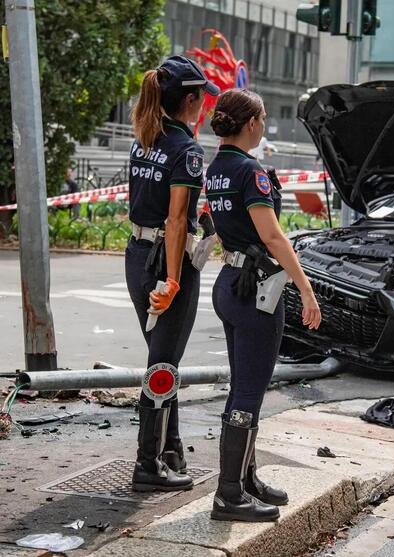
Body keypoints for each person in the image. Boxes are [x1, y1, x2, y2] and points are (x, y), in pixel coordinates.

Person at [206, 89, 322, 522]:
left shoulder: (215, 169)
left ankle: (246, 480)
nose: (264, 126)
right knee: (249, 392)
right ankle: (229, 494)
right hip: (254, 292)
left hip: (230, 284)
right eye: (264, 119)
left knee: (242, 386)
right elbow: (273, 237)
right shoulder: (250, 172)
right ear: (250, 123)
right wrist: (306, 290)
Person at [126, 55, 220, 492]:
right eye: (202, 99)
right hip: (167, 258)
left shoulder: (145, 137)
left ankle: (170, 449)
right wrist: (176, 279)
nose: (204, 107)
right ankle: (148, 464)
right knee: (163, 365)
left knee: (163, 358)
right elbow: (178, 219)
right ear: (191, 100)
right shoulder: (186, 150)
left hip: (136, 254)